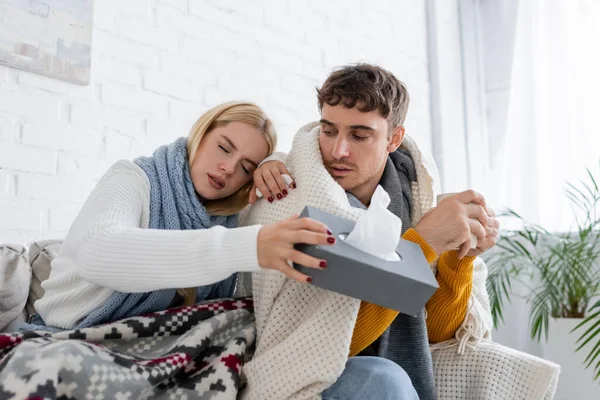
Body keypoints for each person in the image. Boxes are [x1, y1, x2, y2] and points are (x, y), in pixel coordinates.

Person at [243, 65, 499, 400]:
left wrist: (458, 255)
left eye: (360, 136)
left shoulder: (413, 196)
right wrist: (424, 243)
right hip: (309, 378)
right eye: (329, 131)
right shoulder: (290, 194)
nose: (338, 151)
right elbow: (326, 344)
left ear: (394, 139)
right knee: (383, 379)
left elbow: (437, 333)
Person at [31, 101, 335, 331]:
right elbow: (96, 252)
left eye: (246, 168)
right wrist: (248, 247)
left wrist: (276, 162)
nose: (228, 168)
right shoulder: (133, 179)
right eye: (223, 148)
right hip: (63, 334)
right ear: (201, 134)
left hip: (145, 346)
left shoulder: (231, 216)